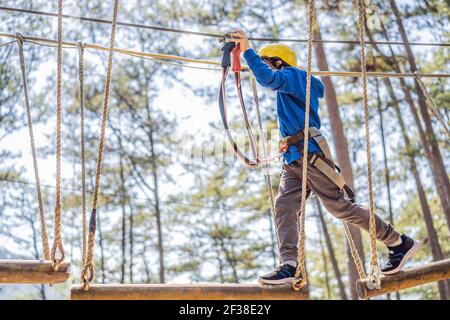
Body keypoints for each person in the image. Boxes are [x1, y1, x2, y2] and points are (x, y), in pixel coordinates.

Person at [229, 29, 421, 285]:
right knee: (284, 207)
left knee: (340, 207)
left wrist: (247, 50)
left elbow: (267, 79)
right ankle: (289, 264)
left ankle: (398, 241)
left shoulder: (296, 77)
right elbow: (267, 78)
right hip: (294, 159)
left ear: (278, 62)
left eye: (267, 63)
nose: (265, 68)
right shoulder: (288, 84)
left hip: (309, 154)